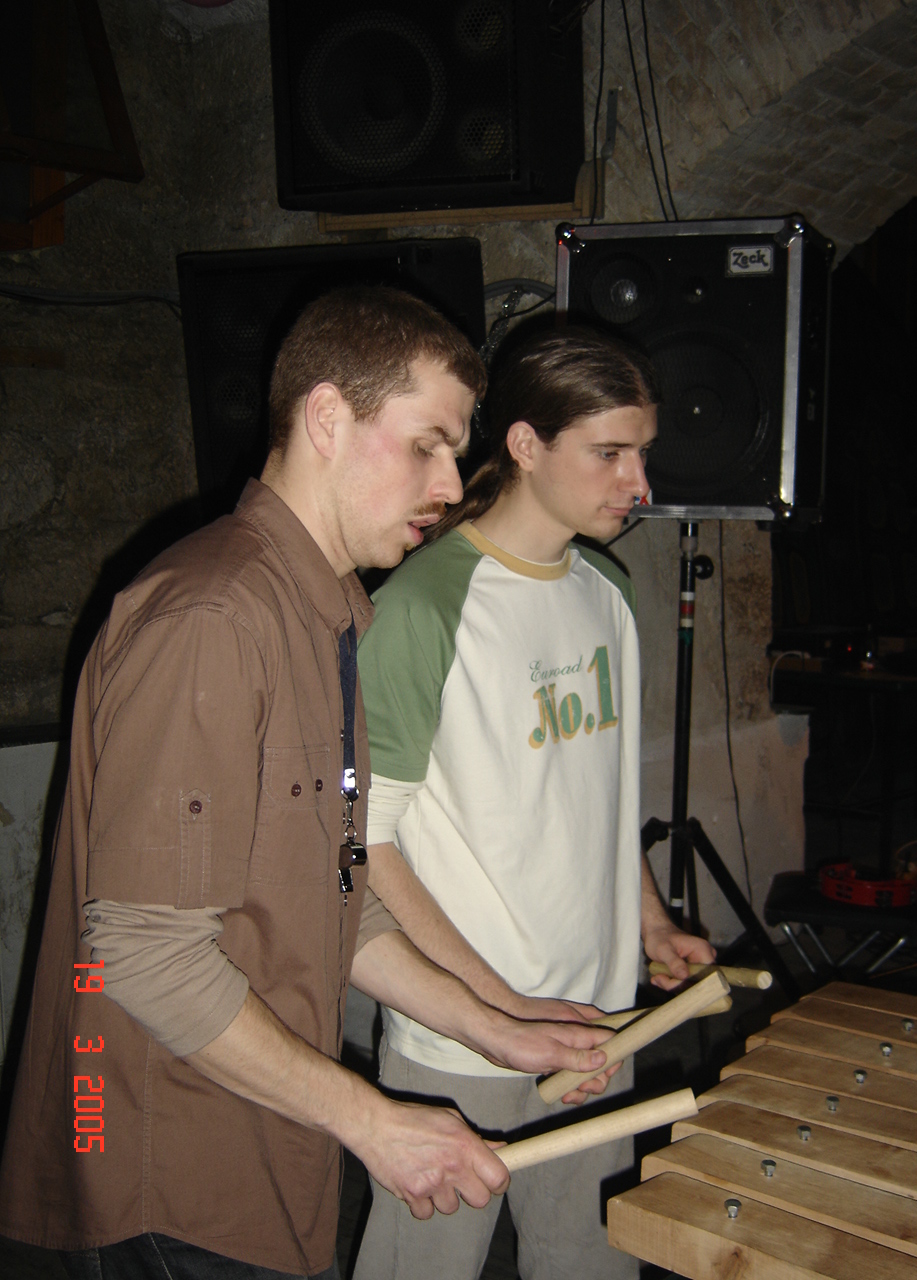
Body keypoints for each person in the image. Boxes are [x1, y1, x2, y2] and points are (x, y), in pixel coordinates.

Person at [0, 290, 616, 1280]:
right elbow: (145, 955)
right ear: (327, 417)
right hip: (165, 1176)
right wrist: (376, 1120)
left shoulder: (330, 612)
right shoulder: (212, 616)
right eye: (427, 444)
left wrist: (494, 1025)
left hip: (269, 1148)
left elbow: (337, 895)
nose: (450, 483)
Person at [354, 326, 717, 1280]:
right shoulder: (420, 609)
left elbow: (598, 797)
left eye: (643, 454)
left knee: (590, 1262)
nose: (639, 484)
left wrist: (648, 922)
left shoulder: (608, 590)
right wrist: (500, 1007)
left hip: (597, 1018)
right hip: (463, 1037)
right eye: (610, 453)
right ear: (524, 444)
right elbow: (364, 847)